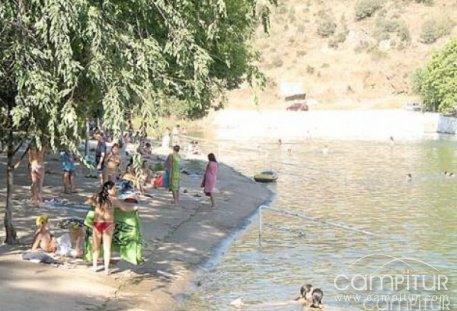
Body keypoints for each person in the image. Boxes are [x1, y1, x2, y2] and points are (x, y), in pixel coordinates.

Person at [92, 181, 138, 274]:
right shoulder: (113, 200)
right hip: (108, 224)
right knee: (106, 247)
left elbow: (89, 202)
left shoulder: (97, 197)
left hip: (97, 223)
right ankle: (106, 269)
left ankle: (94, 267)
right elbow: (125, 208)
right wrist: (135, 207)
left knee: (96, 246)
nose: (115, 190)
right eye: (113, 189)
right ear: (108, 190)